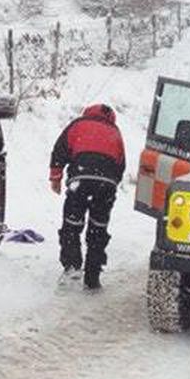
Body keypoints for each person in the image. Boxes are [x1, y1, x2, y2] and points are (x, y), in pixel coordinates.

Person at [49, 103, 125, 289]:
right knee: (98, 229)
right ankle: (93, 275)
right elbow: (121, 164)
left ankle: (72, 266)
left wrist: (56, 177)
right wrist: (110, 185)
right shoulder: (115, 132)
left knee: (72, 225)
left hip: (80, 180)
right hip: (106, 183)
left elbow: (59, 151)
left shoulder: (78, 125)